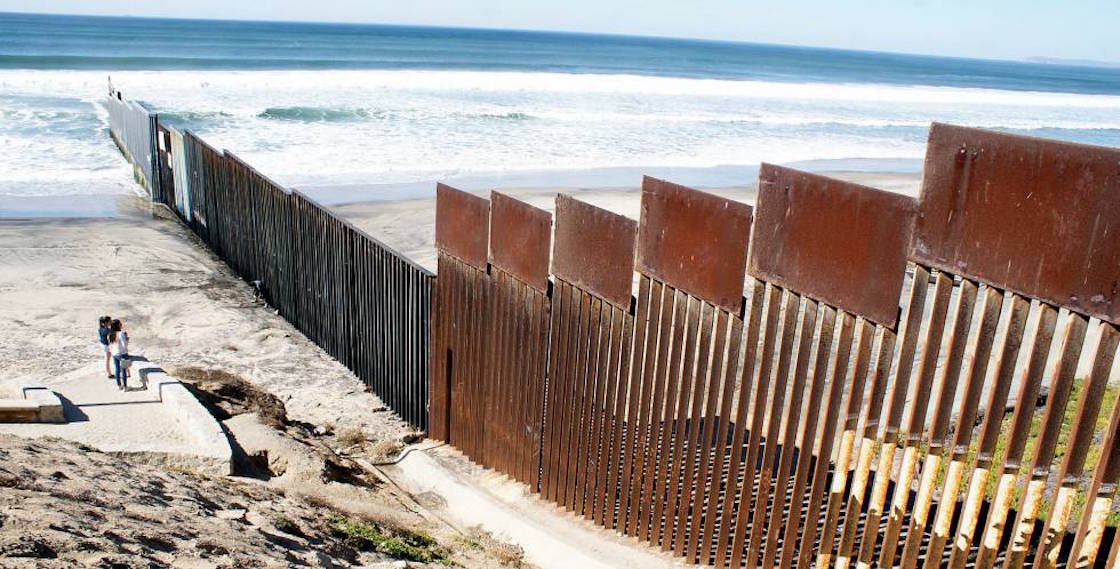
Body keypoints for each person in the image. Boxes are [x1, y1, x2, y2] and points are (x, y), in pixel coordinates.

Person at [109, 319, 130, 391]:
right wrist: (127, 339)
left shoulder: (110, 334)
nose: (121, 324)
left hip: (115, 354)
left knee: (117, 369)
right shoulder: (121, 333)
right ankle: (125, 387)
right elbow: (124, 345)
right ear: (118, 325)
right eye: (120, 323)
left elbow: (110, 345)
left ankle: (119, 385)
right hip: (122, 354)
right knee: (124, 370)